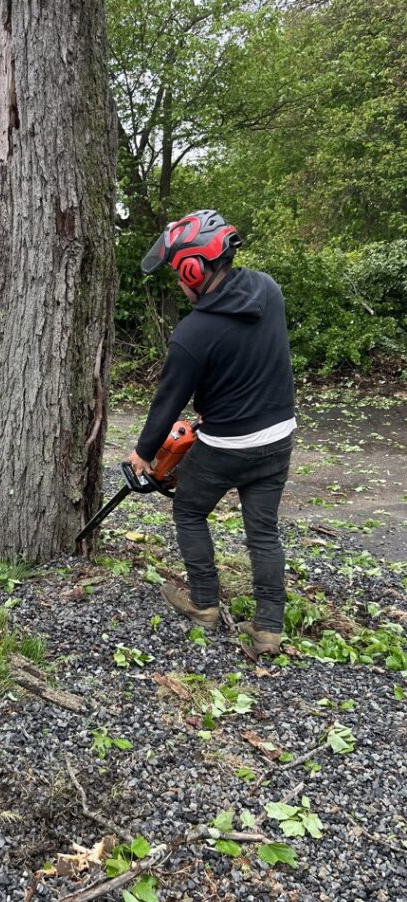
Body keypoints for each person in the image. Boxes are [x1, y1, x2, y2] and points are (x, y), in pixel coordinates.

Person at [128, 210, 295, 657]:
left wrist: (144, 454)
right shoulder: (268, 289)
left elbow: (169, 401)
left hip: (227, 446)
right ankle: (269, 630)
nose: (177, 283)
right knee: (263, 532)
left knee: (188, 509)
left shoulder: (192, 334)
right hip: (278, 437)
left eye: (176, 273)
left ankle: (203, 602)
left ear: (192, 269)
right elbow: (250, 361)